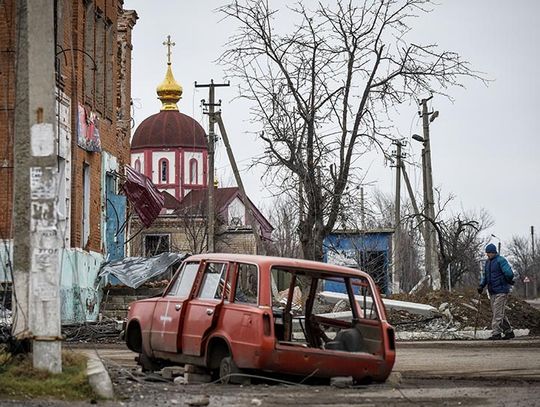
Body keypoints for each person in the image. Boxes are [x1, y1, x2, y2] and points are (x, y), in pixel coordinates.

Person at [478, 243, 515, 340]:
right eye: (487, 253)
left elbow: (509, 273)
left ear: (494, 252)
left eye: (489, 253)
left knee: (497, 313)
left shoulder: (500, 260)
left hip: (501, 290)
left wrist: (508, 279)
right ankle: (509, 331)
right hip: (492, 291)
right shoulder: (488, 262)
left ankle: (496, 333)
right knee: (498, 312)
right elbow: (485, 276)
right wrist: (481, 285)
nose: (488, 255)